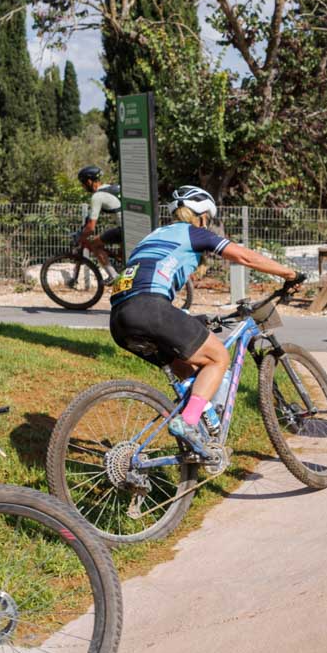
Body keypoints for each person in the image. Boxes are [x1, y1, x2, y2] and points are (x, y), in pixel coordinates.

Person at [109, 185, 299, 455]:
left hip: (119, 318)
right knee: (218, 357)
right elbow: (243, 256)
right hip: (149, 309)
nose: (206, 224)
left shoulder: (152, 236)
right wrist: (289, 274)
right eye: (207, 219)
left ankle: (199, 437)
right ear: (201, 215)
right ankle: (187, 423)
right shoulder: (193, 232)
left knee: (187, 367)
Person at [77, 164, 123, 278]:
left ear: (88, 181)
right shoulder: (114, 188)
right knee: (121, 255)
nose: (83, 187)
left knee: (94, 244)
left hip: (124, 230)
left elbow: (91, 227)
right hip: (133, 226)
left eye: (83, 183)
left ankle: (114, 277)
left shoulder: (97, 196)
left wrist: (81, 238)